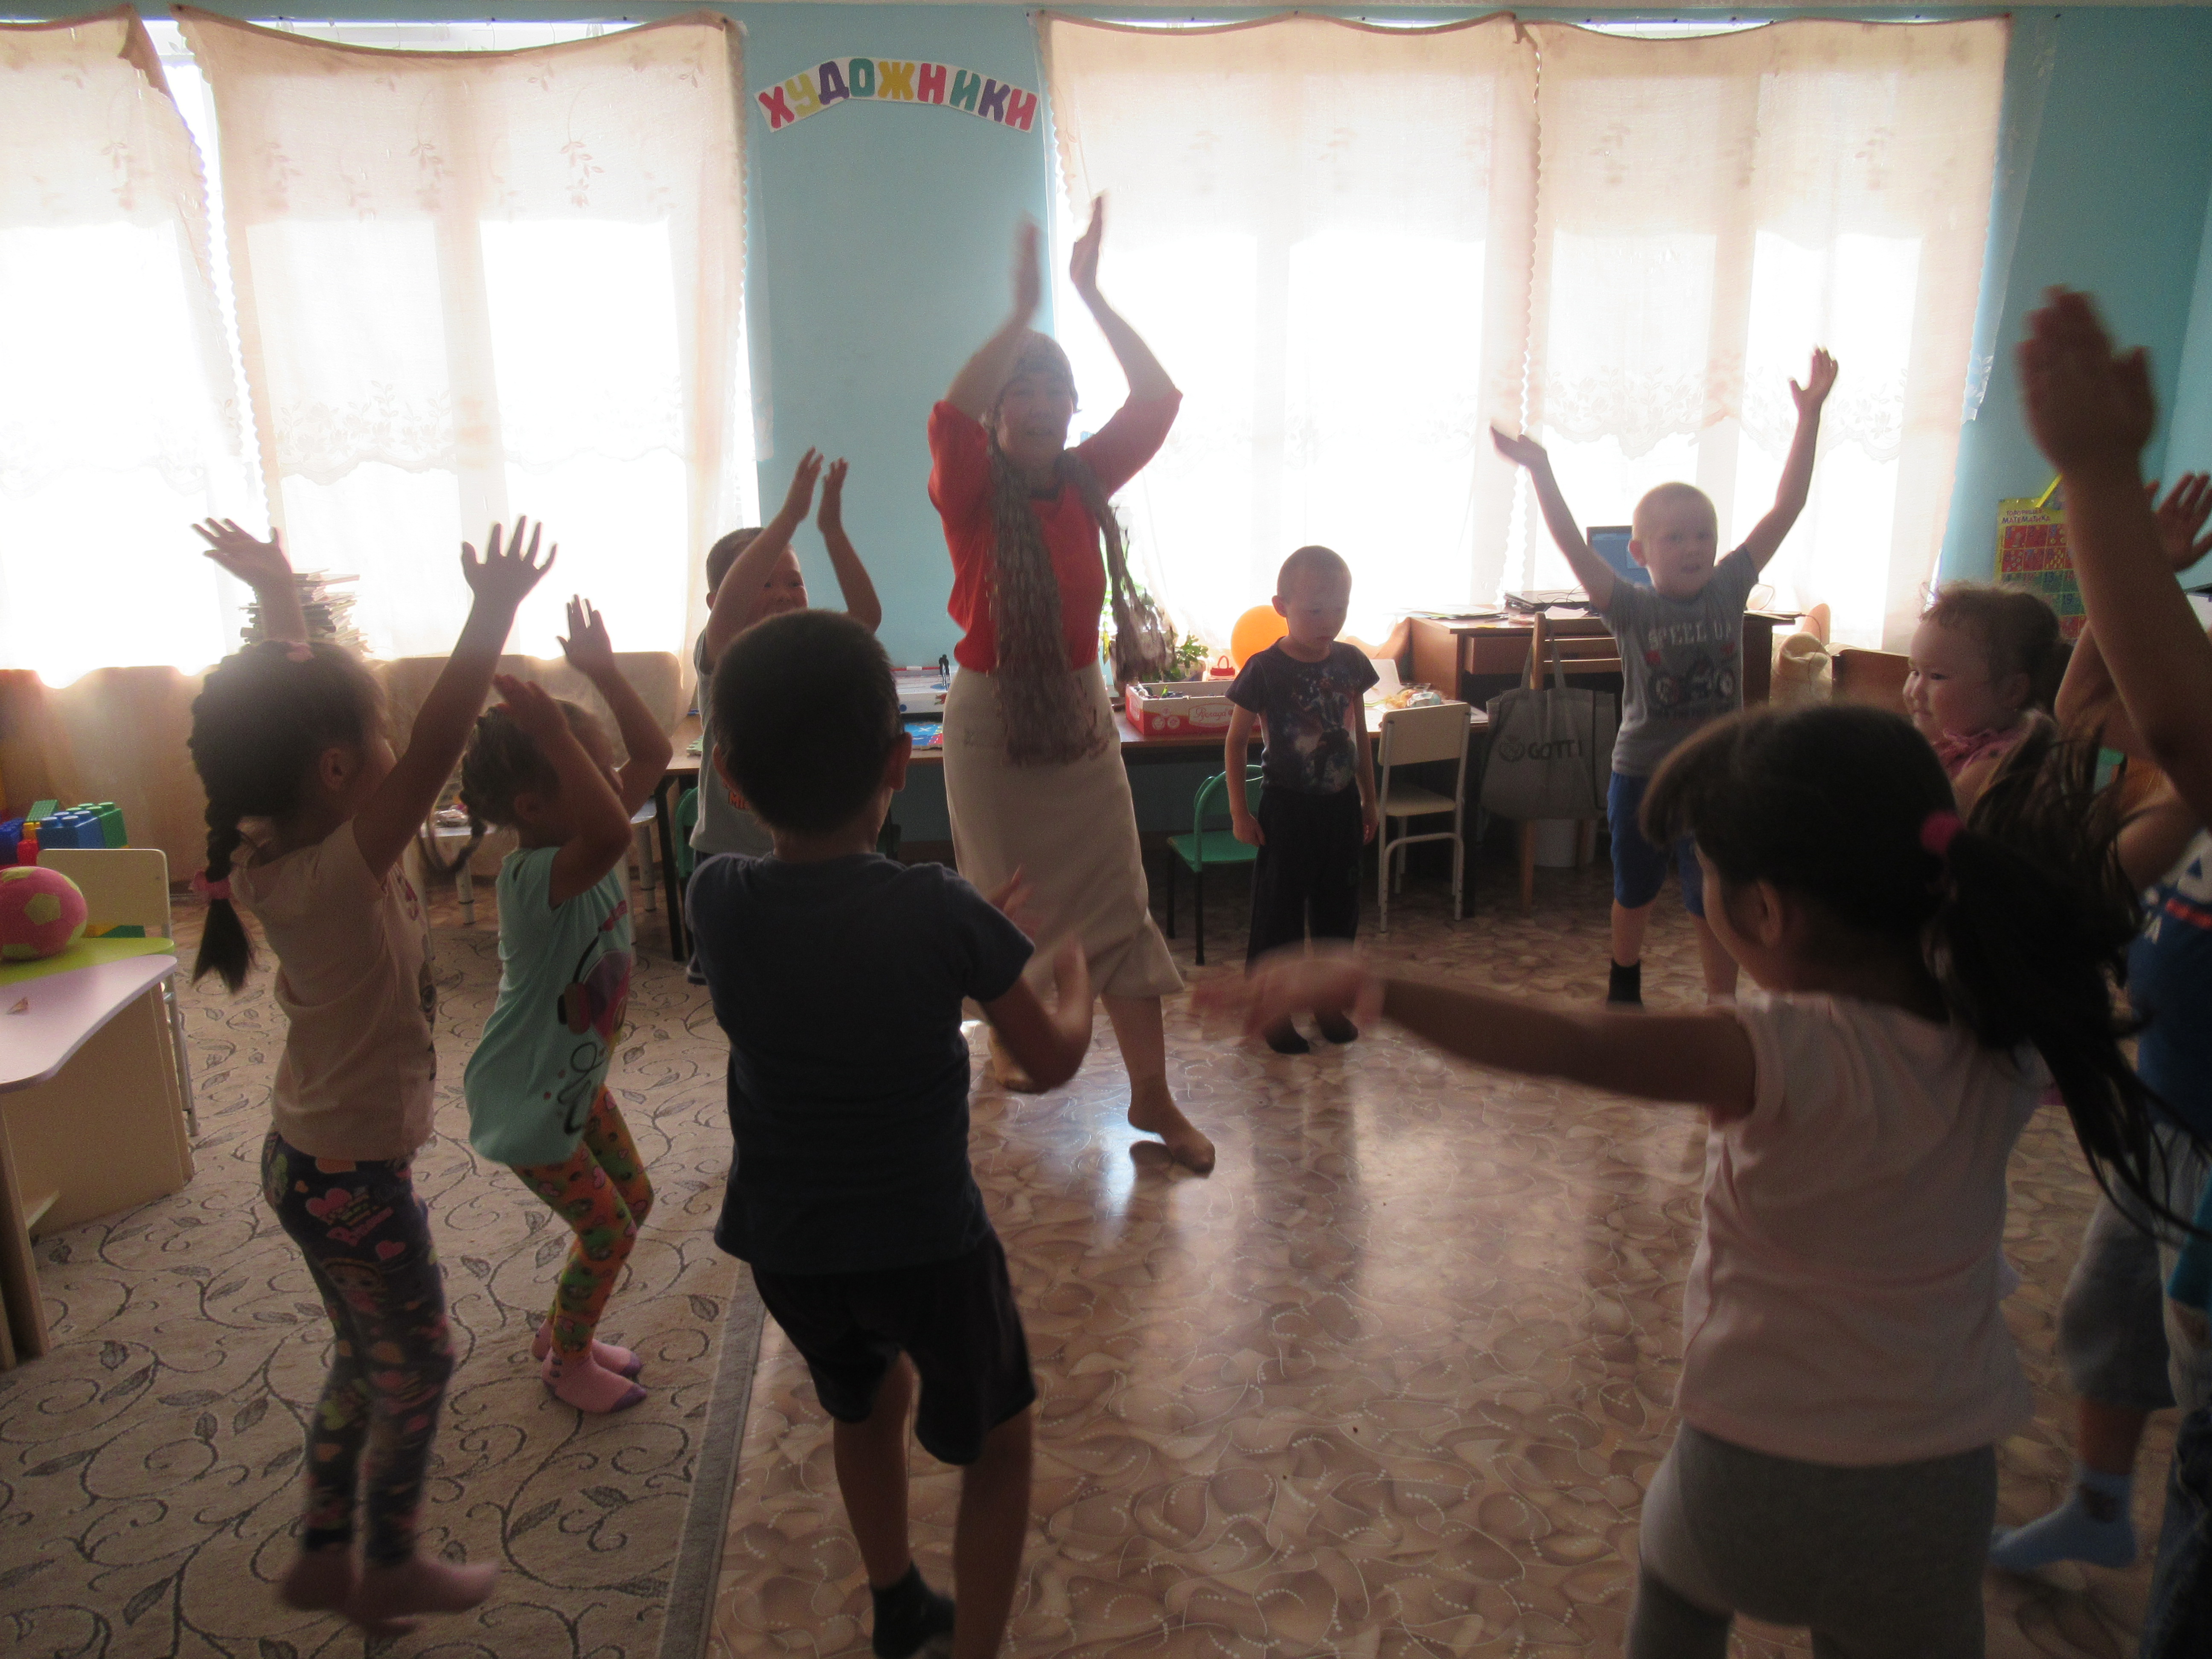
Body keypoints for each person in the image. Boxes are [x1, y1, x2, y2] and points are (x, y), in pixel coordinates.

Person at [1205, 700, 2188, 1659]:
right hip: (1939, 1485)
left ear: (1766, 911)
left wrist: (1376, 985)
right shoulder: (2002, 1008)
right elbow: (2112, 865)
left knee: (1677, 1589)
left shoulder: (1779, 1049)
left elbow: (1572, 1043)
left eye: (1705, 873)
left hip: (1754, 1472)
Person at [687, 609, 1095, 1659]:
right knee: (999, 1447)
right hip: (928, 1248)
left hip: (792, 1248)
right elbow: (1049, 1062)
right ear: (897, 761)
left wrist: (961, 931)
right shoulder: (937, 912)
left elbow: (839, 963)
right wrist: (1073, 980)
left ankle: (896, 1600)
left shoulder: (716, 898)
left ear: (731, 777)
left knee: (863, 1404)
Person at [184, 515, 553, 1632]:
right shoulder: (334, 874)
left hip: (308, 1163)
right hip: (351, 1179)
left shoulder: (278, 843)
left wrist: (279, 597)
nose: (400, 752)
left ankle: (319, 1552)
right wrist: (491, 614)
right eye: (376, 739)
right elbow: (436, 744)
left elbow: (294, 704)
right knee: (421, 1363)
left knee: (364, 1354)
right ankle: (387, 1563)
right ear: (341, 774)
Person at [929, 202, 1213, 1172]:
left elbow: (1158, 397)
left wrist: (1089, 293)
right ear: (1000, 410)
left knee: (1119, 906)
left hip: (1079, 716)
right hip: (991, 726)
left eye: (1056, 387)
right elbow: (946, 418)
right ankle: (1011, 1042)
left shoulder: (1087, 478)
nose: (1041, 401)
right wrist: (1017, 315)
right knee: (1001, 907)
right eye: (1023, 387)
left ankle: (1151, 1099)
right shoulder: (969, 490)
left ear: (1070, 407)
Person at [2016, 287, 2212, 1652]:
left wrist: (2096, 482)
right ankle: (2095, 1506)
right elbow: (2103, 710)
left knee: (2205, 1454)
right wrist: (2135, 561)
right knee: (2109, 1319)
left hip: (2205, 1133)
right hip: (2167, 1106)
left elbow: (2170, 735)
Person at [1491, 348, 1839, 1007]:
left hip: (1719, 775)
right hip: (1643, 775)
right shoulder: (1629, 606)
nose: (1693, 547)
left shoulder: (1730, 587)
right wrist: (1540, 469)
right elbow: (1571, 544)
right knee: (1636, 890)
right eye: (1675, 538)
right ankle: (1624, 981)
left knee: (1716, 895)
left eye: (1703, 535)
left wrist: (1810, 416)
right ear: (1640, 552)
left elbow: (1788, 505)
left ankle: (1720, 1003)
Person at [449, 599, 672, 1413]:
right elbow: (614, 833)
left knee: (634, 1202)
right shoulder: (533, 877)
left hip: (572, 1079)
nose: (614, 782)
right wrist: (551, 735)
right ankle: (567, 1362)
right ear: (534, 805)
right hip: (526, 1095)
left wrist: (604, 674)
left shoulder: (582, 835)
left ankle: (561, 1328)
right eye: (586, 769)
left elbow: (653, 755)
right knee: (607, 1231)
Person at [1223, 544, 1379, 1054]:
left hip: (1340, 808)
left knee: (1339, 915)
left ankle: (1330, 1004)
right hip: (1287, 811)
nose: (1328, 621)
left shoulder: (1352, 663)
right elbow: (1235, 743)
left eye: (1340, 608)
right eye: (1315, 610)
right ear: (1282, 606)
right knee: (1280, 917)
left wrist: (1369, 799)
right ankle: (1272, 1011)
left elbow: (1358, 736)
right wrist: (1240, 812)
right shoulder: (1265, 669)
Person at [691, 450, 882, 864]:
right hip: (730, 852)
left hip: (808, 846)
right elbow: (731, 605)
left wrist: (832, 532)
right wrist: (789, 519)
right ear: (715, 601)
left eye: (794, 582)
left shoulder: (805, 646)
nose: (783, 594)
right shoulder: (724, 648)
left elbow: (866, 617)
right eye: (765, 584)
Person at [1905, 584, 2064, 811]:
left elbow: (1925, 826)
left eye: (1937, 676)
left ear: (2012, 691)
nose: (1915, 691)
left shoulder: (1993, 767)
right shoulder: (1946, 745)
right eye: (1915, 672)